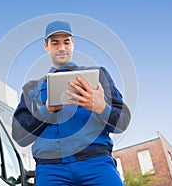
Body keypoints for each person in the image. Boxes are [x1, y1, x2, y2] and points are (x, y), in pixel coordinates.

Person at [12, 20, 131, 185]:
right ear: (46, 46)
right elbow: (20, 136)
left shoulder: (98, 76)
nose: (61, 48)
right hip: (51, 170)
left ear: (73, 44)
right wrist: (46, 112)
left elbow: (122, 122)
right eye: (55, 43)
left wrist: (101, 107)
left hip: (96, 164)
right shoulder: (32, 89)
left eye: (66, 42)